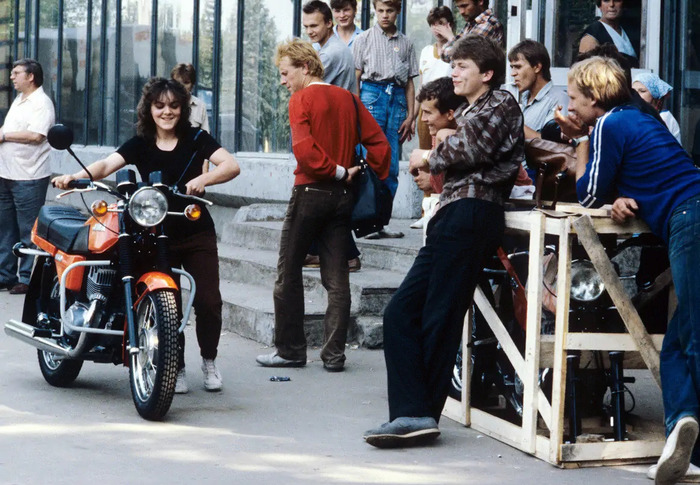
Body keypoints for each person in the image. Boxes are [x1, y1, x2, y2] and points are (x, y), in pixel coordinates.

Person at [363, 35, 523, 448]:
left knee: (440, 314)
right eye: (452, 65)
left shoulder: (501, 102)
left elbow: (473, 149)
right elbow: (462, 147)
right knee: (401, 312)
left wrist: (428, 157)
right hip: (451, 215)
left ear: (486, 74)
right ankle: (409, 412)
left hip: (474, 213)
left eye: (462, 67)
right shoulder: (470, 110)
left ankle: (420, 415)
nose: (453, 72)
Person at [555, 56, 700, 485]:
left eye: (575, 97)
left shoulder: (606, 126)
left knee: (693, 338)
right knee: (677, 342)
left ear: (595, 98)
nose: (570, 105)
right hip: (689, 212)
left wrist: (581, 141)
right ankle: (682, 430)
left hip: (690, 218)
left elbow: (589, 191)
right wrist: (621, 194)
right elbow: (641, 171)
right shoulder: (642, 118)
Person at [53, 78, 240, 394]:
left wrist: (204, 179)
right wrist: (75, 177)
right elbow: (105, 165)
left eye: (174, 106)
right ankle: (174, 366)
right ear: (149, 108)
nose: (167, 112)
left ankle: (209, 360)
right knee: (168, 303)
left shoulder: (196, 138)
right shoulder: (140, 142)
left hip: (194, 230)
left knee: (209, 301)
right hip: (153, 231)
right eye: (160, 106)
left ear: (182, 109)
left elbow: (231, 165)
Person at [255, 39, 390, 372]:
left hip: (311, 191)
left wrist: (338, 170)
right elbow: (380, 145)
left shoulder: (301, 99)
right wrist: (360, 172)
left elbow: (304, 151)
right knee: (337, 277)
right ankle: (333, 356)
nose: (283, 81)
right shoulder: (349, 98)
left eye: (286, 73)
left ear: (305, 67)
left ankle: (289, 351)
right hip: (343, 198)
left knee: (288, 274)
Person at [353, 0, 418, 239]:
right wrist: (358, 112)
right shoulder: (364, 39)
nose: (384, 15)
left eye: (389, 11)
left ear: (398, 11)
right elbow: (356, 78)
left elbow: (410, 82)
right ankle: (366, 221)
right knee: (370, 160)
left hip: (397, 99)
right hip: (372, 96)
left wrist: (411, 115)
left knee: (390, 164)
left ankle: (382, 221)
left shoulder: (406, 43)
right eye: (380, 10)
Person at [0, 58, 55, 295]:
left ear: (31, 76)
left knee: (28, 229)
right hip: (6, 173)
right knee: (6, 228)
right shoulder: (19, 101)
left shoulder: (41, 103)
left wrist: (4, 136)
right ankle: (5, 275)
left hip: (29, 176)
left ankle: (27, 277)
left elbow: (37, 136)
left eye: (16, 73)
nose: (12, 77)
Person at [410, 6, 455, 230]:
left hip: (444, 113)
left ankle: (439, 205)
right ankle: (425, 208)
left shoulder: (454, 51)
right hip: (425, 113)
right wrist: (413, 115)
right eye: (434, 24)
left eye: (442, 23)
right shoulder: (426, 51)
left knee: (440, 158)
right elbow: (420, 86)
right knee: (424, 160)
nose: (438, 29)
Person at [507, 39, 569, 139]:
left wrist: (513, 121)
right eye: (512, 67)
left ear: (537, 67)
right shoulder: (525, 98)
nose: (513, 73)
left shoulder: (560, 99)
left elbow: (552, 145)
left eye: (518, 67)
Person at [303, 0, 356, 93]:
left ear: (329, 23)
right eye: (306, 27)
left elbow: (306, 88)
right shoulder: (335, 45)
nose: (309, 32)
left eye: (313, 26)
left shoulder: (329, 53)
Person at [171, 63, 212, 174]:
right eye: (178, 83)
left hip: (192, 164)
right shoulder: (166, 106)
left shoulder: (200, 106)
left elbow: (206, 141)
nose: (182, 86)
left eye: (186, 83)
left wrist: (204, 175)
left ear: (192, 85)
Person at [578, 0, 638, 68]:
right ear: (600, 5)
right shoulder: (592, 34)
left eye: (616, 0)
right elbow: (587, 71)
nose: (612, 5)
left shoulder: (630, 31)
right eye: (606, 0)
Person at [632, 72, 682, 143]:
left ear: (654, 94)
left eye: (642, 91)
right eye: (633, 91)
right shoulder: (635, 113)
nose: (636, 95)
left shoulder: (664, 117)